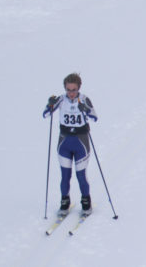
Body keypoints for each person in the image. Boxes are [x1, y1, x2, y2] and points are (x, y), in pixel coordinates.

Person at [43, 73, 99, 218]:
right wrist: (49, 104)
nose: (71, 93)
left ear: (79, 88)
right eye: (68, 89)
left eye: (74, 90)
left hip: (81, 142)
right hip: (64, 142)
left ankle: (86, 202)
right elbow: (45, 114)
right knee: (65, 176)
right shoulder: (61, 100)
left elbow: (94, 117)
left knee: (81, 175)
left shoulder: (84, 99)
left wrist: (84, 109)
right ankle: (64, 202)